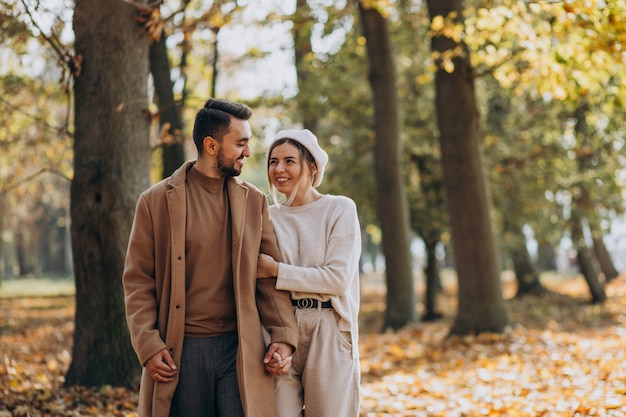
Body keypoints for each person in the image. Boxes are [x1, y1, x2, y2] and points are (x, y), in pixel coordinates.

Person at [122, 98, 298, 417]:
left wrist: (283, 337)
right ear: (211, 145)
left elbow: (267, 278)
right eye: (240, 143)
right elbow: (137, 281)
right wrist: (148, 344)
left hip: (240, 349)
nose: (247, 152)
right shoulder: (155, 202)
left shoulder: (253, 201)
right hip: (182, 351)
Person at [257, 129, 361, 417]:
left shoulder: (339, 209)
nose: (279, 169)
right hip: (280, 329)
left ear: (312, 167)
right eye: (273, 161)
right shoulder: (267, 216)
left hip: (328, 327)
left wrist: (277, 270)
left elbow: (337, 279)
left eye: (289, 161)